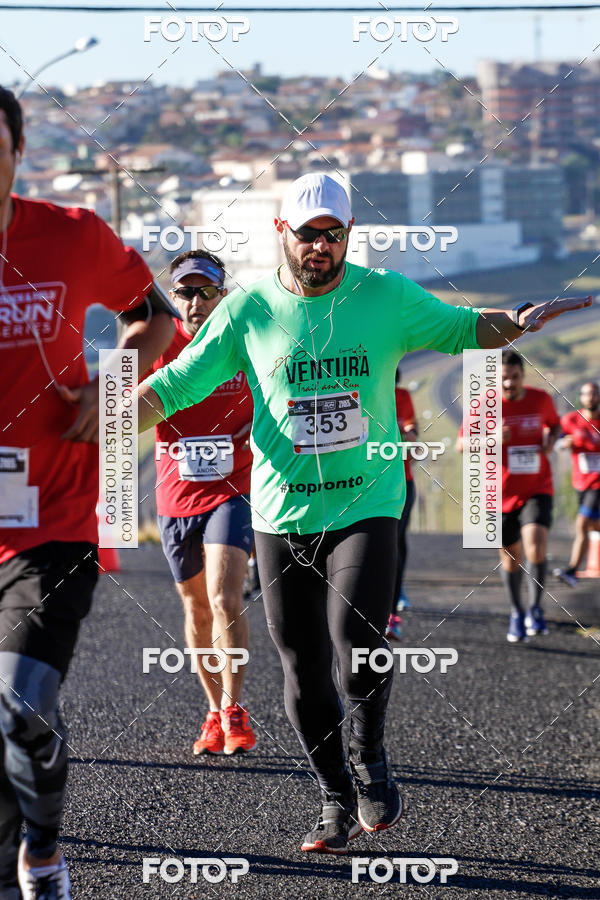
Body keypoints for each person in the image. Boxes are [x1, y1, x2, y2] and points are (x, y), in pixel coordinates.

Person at [136, 172, 591, 854]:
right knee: (301, 664)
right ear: (280, 232)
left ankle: (369, 753)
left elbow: (466, 327)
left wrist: (517, 321)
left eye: (335, 234)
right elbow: (177, 382)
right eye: (308, 233)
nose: (321, 246)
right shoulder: (249, 310)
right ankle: (332, 796)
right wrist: (100, 415)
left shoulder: (383, 295)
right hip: (282, 512)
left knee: (357, 648)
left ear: (348, 236)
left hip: (366, 500)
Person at [0, 87, 175, 900]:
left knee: (18, 701)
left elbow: (156, 318)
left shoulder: (72, 235)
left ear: (20, 144)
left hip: (55, 517)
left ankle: (42, 846)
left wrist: (109, 396)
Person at [149, 249, 256, 756]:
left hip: (233, 489)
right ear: (174, 299)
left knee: (224, 597)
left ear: (222, 294)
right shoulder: (156, 346)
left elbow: (278, 395)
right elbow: (120, 409)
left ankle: (235, 709)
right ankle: (213, 712)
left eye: (206, 291)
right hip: (175, 494)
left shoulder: (243, 342)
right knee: (195, 608)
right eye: (186, 292)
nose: (196, 302)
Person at [457, 350, 561, 642]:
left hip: (537, 488)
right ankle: (517, 612)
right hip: (498, 494)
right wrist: (491, 439)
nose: (508, 384)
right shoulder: (482, 406)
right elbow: (461, 445)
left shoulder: (541, 400)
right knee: (511, 558)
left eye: (514, 377)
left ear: (522, 376)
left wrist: (552, 439)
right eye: (503, 378)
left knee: (536, 544)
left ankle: (536, 609)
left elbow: (555, 424)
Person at [554, 381, 600, 586]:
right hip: (580, 484)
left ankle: (572, 570)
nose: (591, 398)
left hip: (597, 485)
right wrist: (563, 444)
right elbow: (555, 444)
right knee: (592, 526)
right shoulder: (571, 420)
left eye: (594, 394)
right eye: (586, 394)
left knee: (582, 523)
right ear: (581, 398)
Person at [391, 367, 419, 625]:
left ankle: (395, 594)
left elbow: (413, 431)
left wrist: (405, 432)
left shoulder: (403, 397)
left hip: (402, 481)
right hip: (368, 482)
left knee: (397, 538)